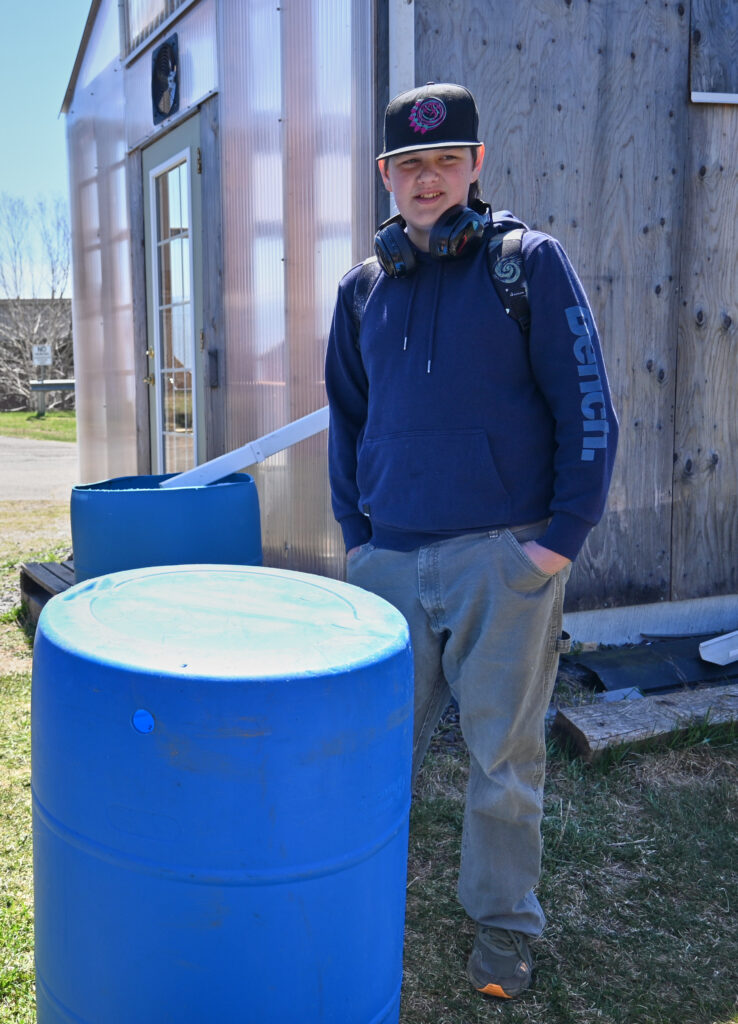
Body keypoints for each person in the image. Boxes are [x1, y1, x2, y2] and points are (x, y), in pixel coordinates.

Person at [324, 82, 618, 999]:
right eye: (409, 165)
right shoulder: (362, 288)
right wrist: (357, 541)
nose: (427, 180)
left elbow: (589, 408)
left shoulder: (527, 264)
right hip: (390, 567)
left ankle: (501, 929)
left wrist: (558, 541)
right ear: (385, 175)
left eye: (446, 161)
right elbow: (347, 422)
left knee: (504, 759)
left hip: (506, 560)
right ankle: (351, 899)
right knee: (372, 752)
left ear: (476, 165)